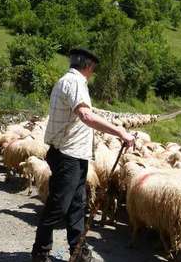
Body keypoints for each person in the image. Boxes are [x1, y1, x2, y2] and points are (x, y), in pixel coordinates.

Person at [31, 48, 135, 262]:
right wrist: (120, 132)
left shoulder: (66, 81)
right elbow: (86, 115)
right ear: (88, 66)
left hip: (73, 155)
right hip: (67, 155)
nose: (93, 72)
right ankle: (40, 253)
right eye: (93, 69)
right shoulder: (76, 83)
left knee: (77, 206)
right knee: (58, 206)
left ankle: (78, 251)